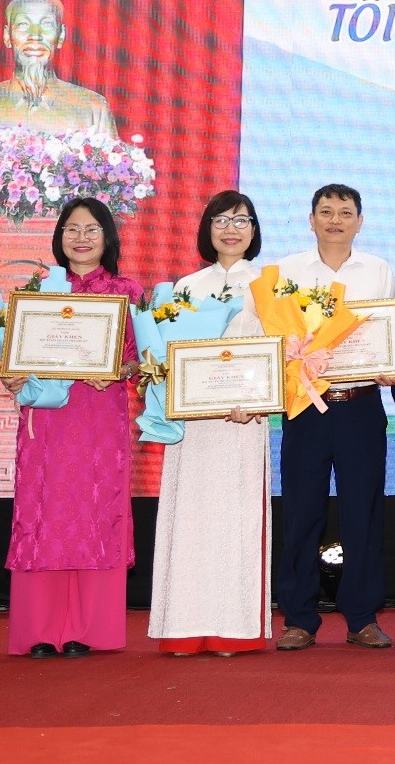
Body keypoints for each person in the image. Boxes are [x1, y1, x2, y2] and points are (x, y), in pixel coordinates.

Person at [4, 198, 142, 658]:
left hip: (99, 417)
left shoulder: (128, 291)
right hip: (46, 420)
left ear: (108, 237)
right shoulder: (36, 291)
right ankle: (40, 630)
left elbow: (141, 361)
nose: (81, 238)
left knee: (95, 511)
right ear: (59, 236)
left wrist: (121, 370)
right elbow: (15, 355)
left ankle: (89, 629)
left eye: (92, 229)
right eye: (72, 229)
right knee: (44, 511)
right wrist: (12, 374)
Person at [274, 184, 395, 651]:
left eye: (345, 213)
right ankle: (299, 618)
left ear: (359, 222)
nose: (335, 220)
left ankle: (362, 617)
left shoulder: (378, 270)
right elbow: (272, 336)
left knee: (363, 513)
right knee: (301, 512)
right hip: (305, 407)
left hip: (360, 406)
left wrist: (391, 368)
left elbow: (388, 335)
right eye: (325, 212)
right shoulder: (286, 272)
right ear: (311, 220)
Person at [148, 191, 272, 656]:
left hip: (243, 422)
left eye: (241, 220)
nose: (231, 229)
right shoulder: (185, 287)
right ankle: (183, 627)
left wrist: (257, 402)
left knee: (236, 521)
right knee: (190, 521)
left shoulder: (269, 285)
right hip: (194, 426)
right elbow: (167, 354)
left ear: (254, 230)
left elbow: (281, 351)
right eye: (221, 220)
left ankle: (232, 629)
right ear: (207, 229)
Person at [0, 0, 116, 135]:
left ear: (60, 36)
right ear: (7, 36)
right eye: (23, 24)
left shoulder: (93, 109)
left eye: (47, 24)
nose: (35, 35)